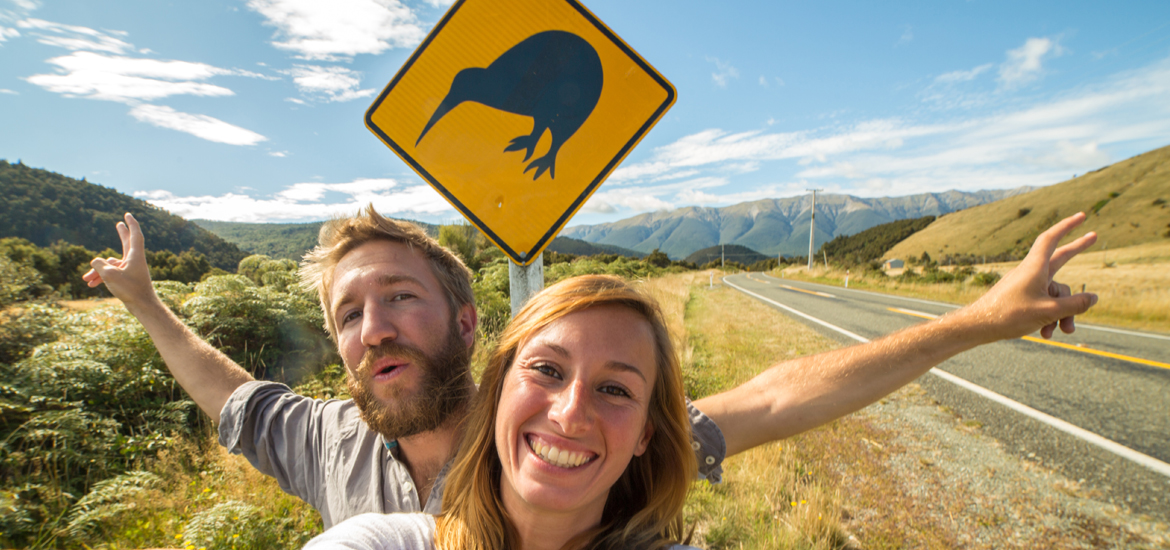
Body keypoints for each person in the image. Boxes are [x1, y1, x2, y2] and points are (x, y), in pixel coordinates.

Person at [83, 205, 1098, 527]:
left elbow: (779, 395)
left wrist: (974, 319)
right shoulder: (322, 442)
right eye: (348, 313)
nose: (373, 326)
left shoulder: (563, 428)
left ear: (468, 320)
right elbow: (225, 388)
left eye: (399, 297)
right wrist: (144, 302)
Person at [304, 275, 698, 550]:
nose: (570, 414)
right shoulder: (388, 543)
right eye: (546, 370)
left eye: (614, 390)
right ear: (496, 391)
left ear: (645, 433)